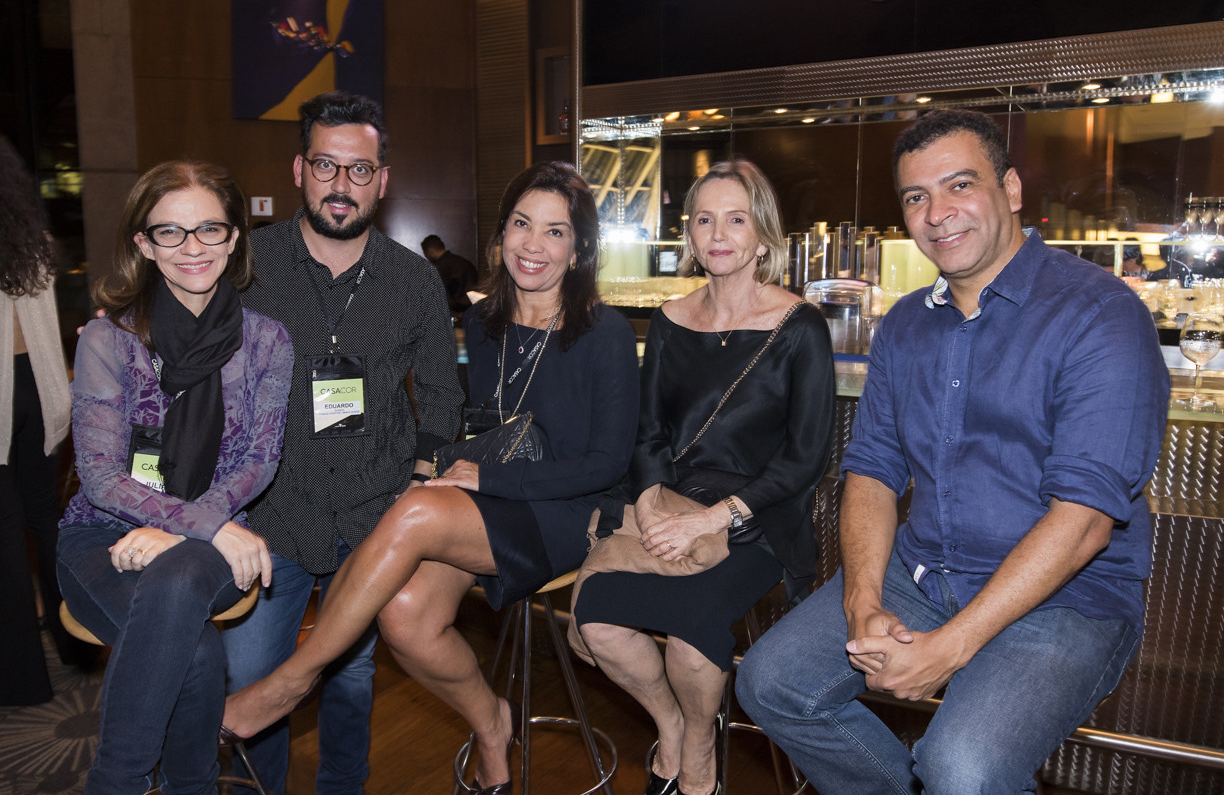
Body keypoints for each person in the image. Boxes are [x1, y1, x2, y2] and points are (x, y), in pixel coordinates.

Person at [736, 109, 1170, 794]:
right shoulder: (906, 323)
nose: (938, 213)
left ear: (1012, 189)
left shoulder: (1100, 312)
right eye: (916, 197)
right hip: (926, 573)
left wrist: (951, 646)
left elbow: (1086, 516)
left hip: (1067, 599)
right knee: (771, 684)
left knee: (960, 768)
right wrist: (863, 601)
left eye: (960, 185)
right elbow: (873, 470)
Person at [219, 161, 640, 795]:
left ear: (579, 248)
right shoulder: (485, 322)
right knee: (406, 617)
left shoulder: (604, 332)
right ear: (501, 234)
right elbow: (474, 420)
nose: (534, 244)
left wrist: (482, 480)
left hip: (570, 510)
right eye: (522, 225)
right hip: (494, 498)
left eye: (556, 232)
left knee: (413, 511)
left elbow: (608, 464)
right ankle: (492, 722)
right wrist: (459, 468)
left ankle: (291, 680)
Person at [220, 91, 466, 795]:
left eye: (359, 171)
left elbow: (444, 394)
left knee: (352, 682)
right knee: (254, 685)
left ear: (382, 181)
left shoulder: (414, 279)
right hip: (270, 517)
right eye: (326, 166)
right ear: (299, 169)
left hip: (371, 517)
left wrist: (420, 475)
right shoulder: (248, 268)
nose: (341, 185)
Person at [570, 160, 836, 795]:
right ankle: (674, 724)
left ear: (763, 236)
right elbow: (649, 433)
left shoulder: (800, 327)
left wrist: (719, 516)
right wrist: (656, 504)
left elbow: (806, 459)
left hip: (758, 521)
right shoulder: (670, 320)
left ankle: (699, 751)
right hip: (672, 506)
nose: (718, 233)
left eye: (735, 219)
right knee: (598, 621)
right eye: (704, 220)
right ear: (689, 236)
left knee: (691, 641)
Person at [55, 160, 292, 794]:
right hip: (104, 538)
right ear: (143, 243)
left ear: (234, 237)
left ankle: (117, 782)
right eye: (171, 232)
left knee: (181, 576)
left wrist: (185, 534)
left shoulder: (269, 341)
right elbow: (103, 481)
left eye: (209, 230)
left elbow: (259, 463)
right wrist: (203, 526)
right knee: (195, 651)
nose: (192, 248)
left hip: (206, 549)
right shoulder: (108, 340)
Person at [0, 135, 75, 706]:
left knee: (6, 538)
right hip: (41, 392)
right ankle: (77, 642)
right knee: (45, 522)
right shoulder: (36, 244)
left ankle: (24, 679)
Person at [422, 233, 479, 319]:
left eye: (426, 254)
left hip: (452, 314)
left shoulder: (440, 268)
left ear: (431, 251)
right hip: (472, 312)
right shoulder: (465, 263)